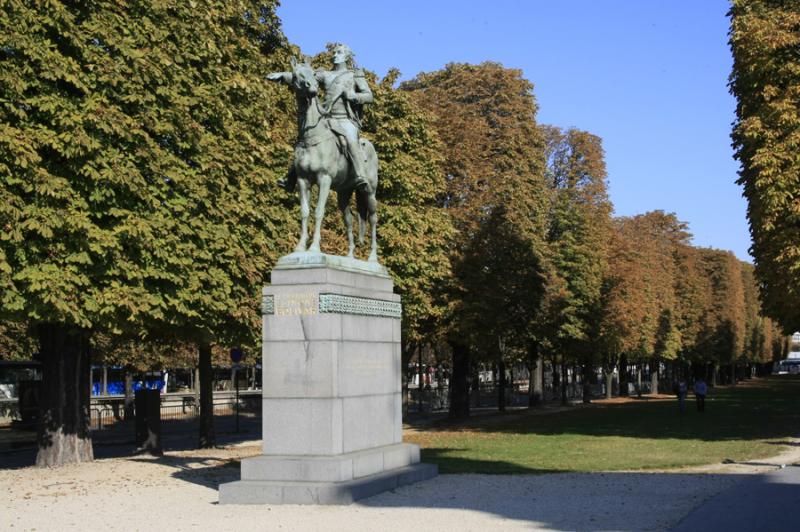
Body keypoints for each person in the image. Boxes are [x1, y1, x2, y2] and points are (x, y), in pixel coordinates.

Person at [268, 44, 374, 194]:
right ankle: (290, 178)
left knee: (350, 138)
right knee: (305, 141)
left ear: (347, 56)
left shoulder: (354, 75)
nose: (335, 55)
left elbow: (369, 96)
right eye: (334, 52)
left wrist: (354, 96)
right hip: (326, 117)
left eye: (339, 53)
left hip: (345, 119)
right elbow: (303, 76)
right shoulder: (325, 75)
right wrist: (283, 75)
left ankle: (360, 174)